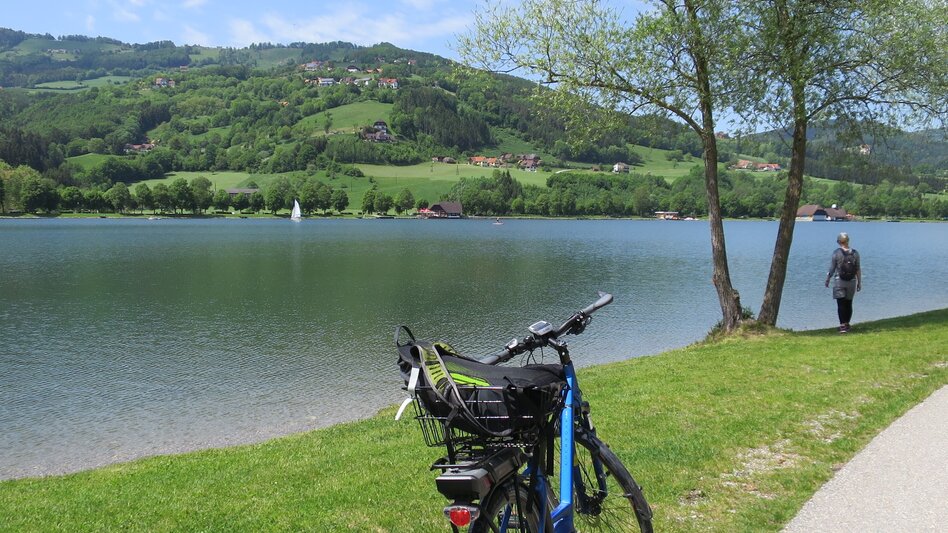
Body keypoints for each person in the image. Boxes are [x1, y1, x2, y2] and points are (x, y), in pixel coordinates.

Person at [825, 232, 862, 333]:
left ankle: (842, 326)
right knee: (849, 303)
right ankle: (847, 324)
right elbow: (858, 269)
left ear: (838, 242)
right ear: (848, 241)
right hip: (852, 281)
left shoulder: (836, 253)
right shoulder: (855, 253)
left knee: (841, 304)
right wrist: (859, 282)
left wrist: (828, 278)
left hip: (839, 281)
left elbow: (832, 268)